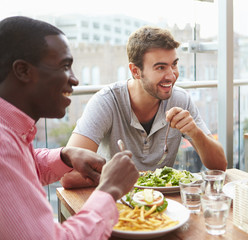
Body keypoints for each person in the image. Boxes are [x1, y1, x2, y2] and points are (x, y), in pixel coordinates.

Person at [0, 16, 139, 239]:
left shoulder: (10, 133)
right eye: (65, 66)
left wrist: (64, 156)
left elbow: (18, 168)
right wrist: (109, 190)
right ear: (23, 71)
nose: (74, 80)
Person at [61, 26, 227, 188]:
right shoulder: (105, 102)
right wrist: (120, 176)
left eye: (174, 65)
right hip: (116, 202)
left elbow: (220, 166)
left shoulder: (181, 99)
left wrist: (195, 133)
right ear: (135, 71)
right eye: (160, 67)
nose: (171, 75)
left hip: (164, 205)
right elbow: (67, 175)